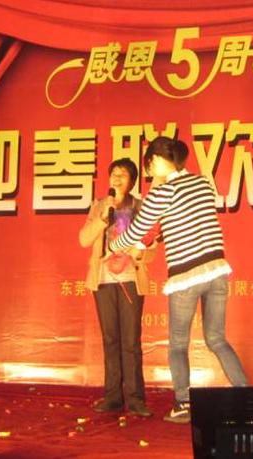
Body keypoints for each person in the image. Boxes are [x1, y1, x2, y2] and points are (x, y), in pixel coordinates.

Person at [109, 137, 247, 424]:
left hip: (186, 276)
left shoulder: (162, 192)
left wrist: (113, 246)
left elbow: (136, 230)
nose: (150, 172)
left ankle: (184, 404)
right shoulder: (203, 183)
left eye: (150, 165)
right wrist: (149, 242)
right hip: (217, 271)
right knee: (217, 339)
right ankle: (248, 399)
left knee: (178, 345)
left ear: (158, 161)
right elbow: (181, 221)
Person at [79, 157, 155, 417]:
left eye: (123, 174)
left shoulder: (140, 207)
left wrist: (137, 252)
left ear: (132, 181)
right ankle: (112, 397)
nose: (117, 177)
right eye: (113, 173)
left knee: (131, 341)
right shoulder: (99, 205)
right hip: (103, 280)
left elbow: (151, 245)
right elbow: (84, 239)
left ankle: (135, 400)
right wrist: (103, 218)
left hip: (131, 280)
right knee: (110, 339)